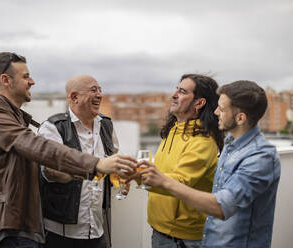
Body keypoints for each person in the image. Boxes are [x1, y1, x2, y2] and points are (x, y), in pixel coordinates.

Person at [0, 52, 136, 248]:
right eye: (25, 76)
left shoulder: (14, 116)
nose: (32, 81)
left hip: (25, 224)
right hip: (13, 227)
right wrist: (97, 164)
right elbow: (41, 149)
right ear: (5, 80)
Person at [137, 80, 281, 248]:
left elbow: (220, 206)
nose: (215, 112)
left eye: (222, 109)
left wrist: (162, 180)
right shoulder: (231, 144)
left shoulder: (260, 157)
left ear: (240, 118)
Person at [138, 74, 224, 248]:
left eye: (182, 91)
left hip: (182, 239)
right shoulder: (172, 131)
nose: (174, 95)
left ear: (199, 103)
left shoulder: (203, 142)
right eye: (176, 89)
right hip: (160, 230)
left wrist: (136, 175)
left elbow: (180, 181)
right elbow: (163, 171)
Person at [38, 74, 117, 248]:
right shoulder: (53, 127)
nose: (99, 94)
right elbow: (50, 172)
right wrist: (90, 169)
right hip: (62, 233)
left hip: (98, 230)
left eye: (100, 89)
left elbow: (114, 157)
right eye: (93, 90)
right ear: (74, 97)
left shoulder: (106, 125)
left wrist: (119, 170)